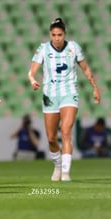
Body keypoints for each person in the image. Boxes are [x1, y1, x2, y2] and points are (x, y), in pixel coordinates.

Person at [28, 17, 101, 181]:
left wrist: (95, 87)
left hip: (69, 93)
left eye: (60, 35)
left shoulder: (74, 47)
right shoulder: (43, 49)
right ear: (50, 34)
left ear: (64, 34)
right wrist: (33, 80)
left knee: (66, 131)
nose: (57, 38)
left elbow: (86, 69)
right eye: (54, 35)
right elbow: (31, 72)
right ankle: (58, 166)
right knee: (51, 138)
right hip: (50, 95)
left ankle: (66, 172)